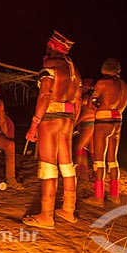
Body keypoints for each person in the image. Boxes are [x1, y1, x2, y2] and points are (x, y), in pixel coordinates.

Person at [23, 30, 82, 229]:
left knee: (48, 167)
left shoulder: (51, 66)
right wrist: (72, 121)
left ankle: (47, 216)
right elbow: (78, 100)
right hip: (67, 119)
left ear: (52, 46)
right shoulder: (74, 71)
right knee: (66, 166)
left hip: (51, 118)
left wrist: (35, 123)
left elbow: (45, 95)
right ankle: (68, 210)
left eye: (48, 45)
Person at [83, 58, 127, 207]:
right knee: (113, 160)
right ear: (118, 71)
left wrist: (92, 97)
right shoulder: (125, 85)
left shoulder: (102, 83)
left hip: (103, 121)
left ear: (103, 70)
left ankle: (98, 197)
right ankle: (115, 196)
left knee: (99, 160)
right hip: (118, 122)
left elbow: (91, 104)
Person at [72, 78, 96, 185]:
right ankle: (90, 174)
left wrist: (76, 123)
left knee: (79, 148)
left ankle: (78, 174)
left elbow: (88, 114)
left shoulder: (87, 98)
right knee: (90, 150)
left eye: (85, 86)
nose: (82, 88)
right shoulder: (92, 97)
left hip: (89, 125)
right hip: (91, 125)